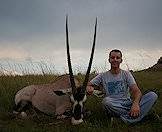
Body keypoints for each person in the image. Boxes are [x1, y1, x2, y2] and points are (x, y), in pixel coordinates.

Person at [86, 49, 158, 124]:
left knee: (152, 95)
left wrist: (135, 104)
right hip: (114, 105)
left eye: (118, 58)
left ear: (121, 60)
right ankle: (141, 116)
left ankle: (123, 119)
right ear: (109, 60)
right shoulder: (102, 75)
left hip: (128, 103)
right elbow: (88, 84)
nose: (115, 60)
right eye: (112, 57)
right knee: (106, 102)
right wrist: (88, 87)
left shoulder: (126, 74)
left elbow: (136, 91)